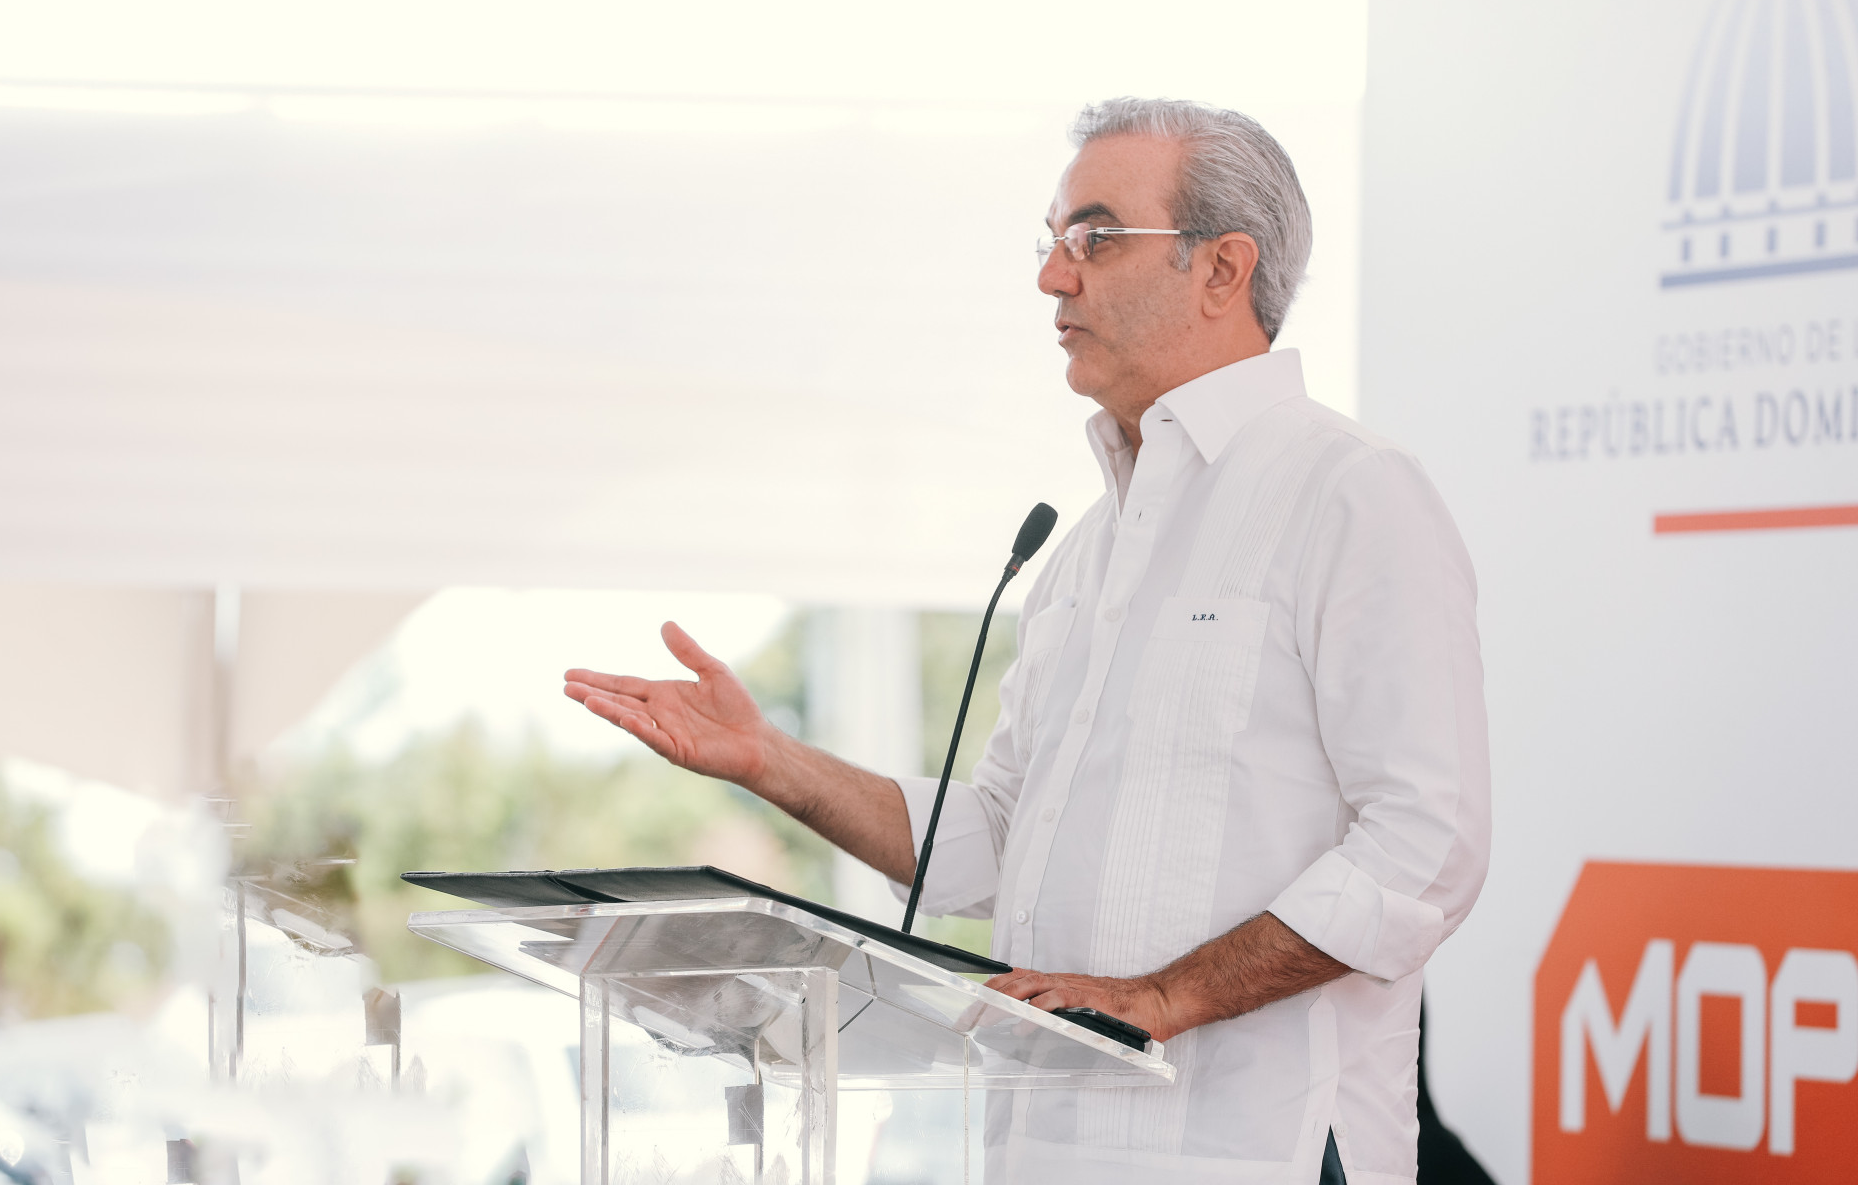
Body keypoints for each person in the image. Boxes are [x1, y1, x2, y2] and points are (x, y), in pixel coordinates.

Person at [565, 97, 1490, 1184]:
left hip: (1259, 1150)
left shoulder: (1350, 491)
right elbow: (1000, 842)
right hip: (1049, 1148)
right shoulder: (1082, 553)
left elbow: (1427, 845)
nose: (1054, 278)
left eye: (1095, 238)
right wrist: (771, 760)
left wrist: (1165, 996)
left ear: (1222, 269)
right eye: (1050, 243)